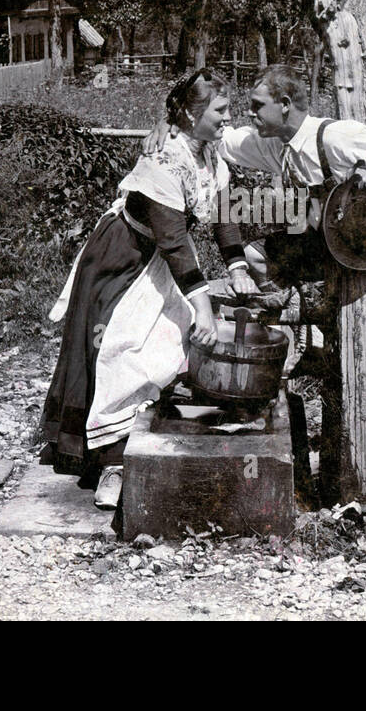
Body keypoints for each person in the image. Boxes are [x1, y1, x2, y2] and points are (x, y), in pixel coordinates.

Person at [40, 69, 259, 509]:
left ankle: (147, 432)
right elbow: (175, 242)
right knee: (122, 351)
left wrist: (237, 265)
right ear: (192, 113)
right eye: (220, 110)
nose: (228, 118)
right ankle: (111, 463)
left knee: (167, 344)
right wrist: (204, 307)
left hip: (158, 259)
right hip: (122, 259)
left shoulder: (209, 153)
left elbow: (223, 214)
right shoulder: (163, 161)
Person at [146, 64, 366, 333]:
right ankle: (300, 312)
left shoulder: (334, 137)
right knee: (256, 254)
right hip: (339, 237)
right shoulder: (273, 143)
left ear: (284, 104)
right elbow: (218, 137)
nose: (248, 112)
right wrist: (172, 121)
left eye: (257, 105)